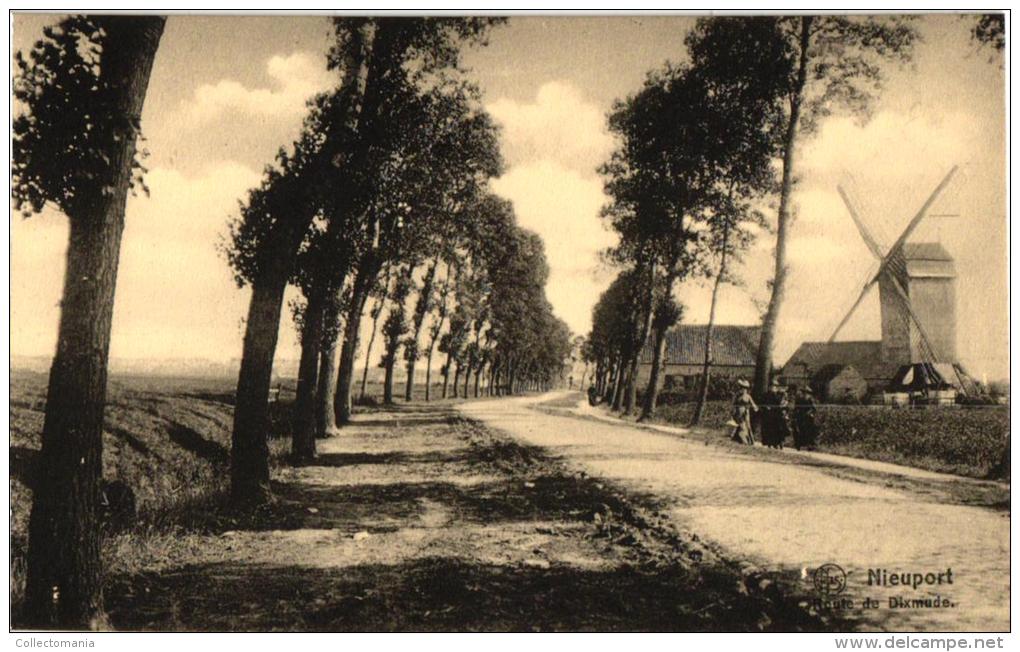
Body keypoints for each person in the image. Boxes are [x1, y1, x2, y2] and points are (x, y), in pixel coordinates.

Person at [761, 380, 791, 449]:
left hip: (776, 415)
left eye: (774, 387)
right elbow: (762, 403)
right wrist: (766, 407)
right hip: (768, 415)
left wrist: (783, 409)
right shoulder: (765, 395)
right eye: (772, 386)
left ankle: (778, 443)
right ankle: (769, 443)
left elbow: (781, 405)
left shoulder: (778, 395)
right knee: (768, 429)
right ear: (769, 387)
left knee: (778, 428)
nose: (773, 388)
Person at [730, 379, 757, 445]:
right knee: (741, 425)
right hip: (738, 412)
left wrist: (754, 407)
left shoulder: (748, 396)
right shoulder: (737, 396)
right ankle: (743, 440)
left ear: (747, 389)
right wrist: (733, 411)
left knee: (748, 426)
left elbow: (753, 404)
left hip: (746, 412)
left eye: (745, 388)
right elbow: (734, 404)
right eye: (742, 388)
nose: (743, 390)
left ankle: (751, 441)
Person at [793, 386, 819, 450]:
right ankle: (799, 444)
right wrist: (795, 414)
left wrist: (809, 412)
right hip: (800, 416)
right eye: (803, 392)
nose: (805, 394)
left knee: (808, 431)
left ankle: (809, 445)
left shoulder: (810, 399)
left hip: (807, 417)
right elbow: (796, 408)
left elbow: (814, 408)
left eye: (806, 393)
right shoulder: (799, 399)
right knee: (800, 430)